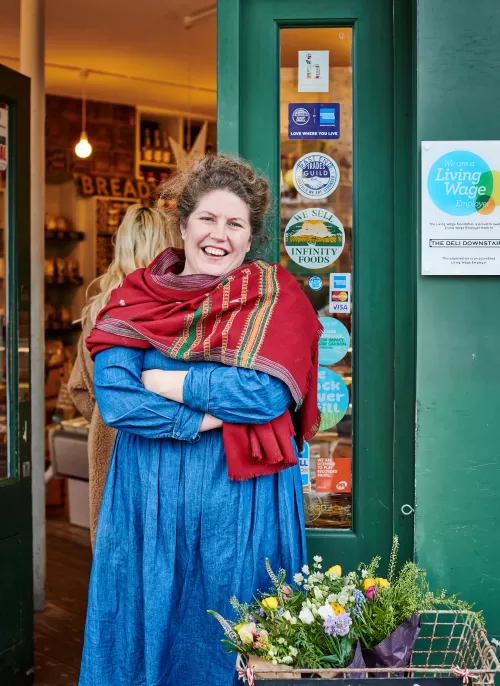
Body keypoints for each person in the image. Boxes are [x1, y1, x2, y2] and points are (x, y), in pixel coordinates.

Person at [79, 154, 322, 686]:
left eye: (235, 223)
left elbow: (265, 395)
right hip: (147, 501)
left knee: (235, 635)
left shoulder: (274, 299)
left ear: (250, 235)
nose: (219, 235)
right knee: (146, 628)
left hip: (242, 508)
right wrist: (211, 416)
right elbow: (117, 398)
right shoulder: (134, 298)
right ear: (184, 224)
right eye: (208, 219)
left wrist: (169, 381)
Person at [68, 204, 181, 548]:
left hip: (110, 446)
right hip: (167, 445)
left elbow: (79, 389)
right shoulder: (176, 308)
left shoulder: (98, 309)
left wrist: (108, 418)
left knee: (118, 551)